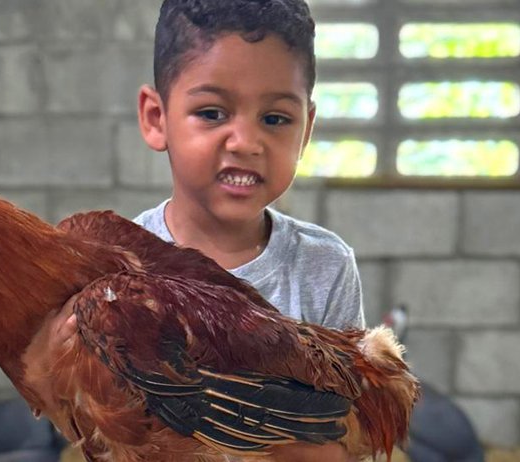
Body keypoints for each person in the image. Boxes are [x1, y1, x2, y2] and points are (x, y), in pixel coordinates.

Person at [131, 0, 365, 460]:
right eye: (213, 113)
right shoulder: (121, 264)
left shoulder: (325, 266)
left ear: (307, 130)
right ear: (157, 119)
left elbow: (350, 431)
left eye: (275, 119)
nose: (246, 142)